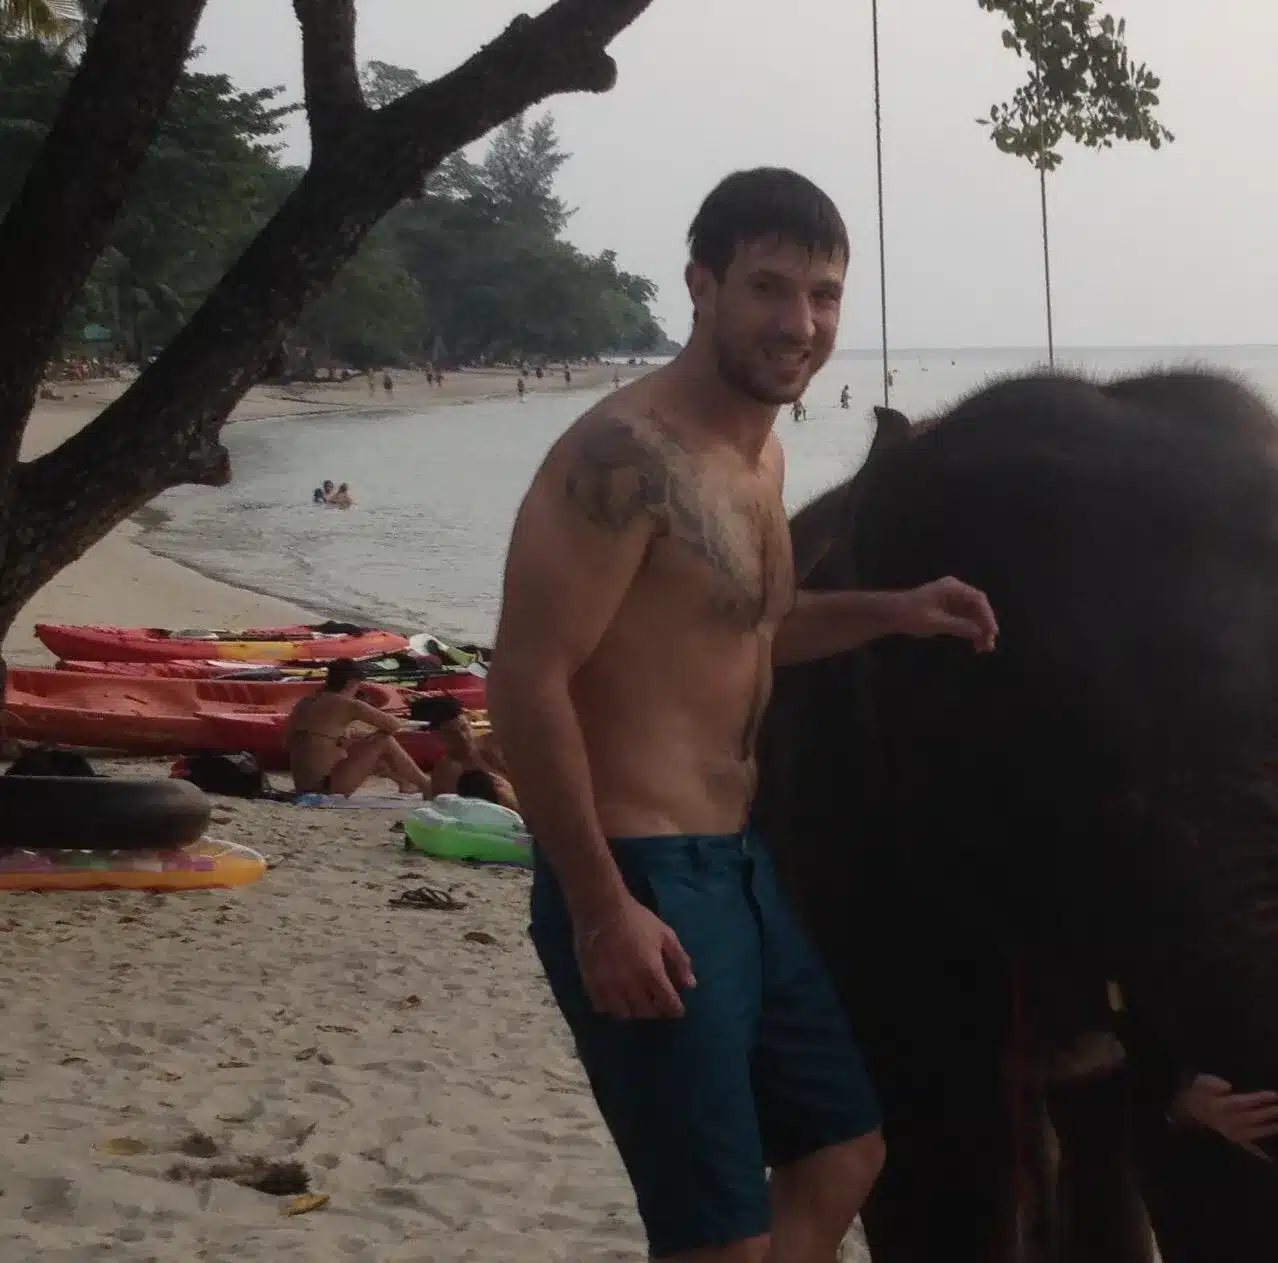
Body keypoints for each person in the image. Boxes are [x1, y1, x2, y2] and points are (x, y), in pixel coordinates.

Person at [487, 166, 999, 1263]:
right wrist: (599, 909)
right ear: (702, 285)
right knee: (717, 1235)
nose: (799, 324)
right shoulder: (621, 459)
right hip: (639, 875)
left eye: (823, 295)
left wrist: (897, 610)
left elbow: (749, 626)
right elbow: (525, 681)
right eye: (768, 288)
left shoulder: (757, 455)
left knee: (845, 1151)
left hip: (740, 868)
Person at [284, 660, 433, 797]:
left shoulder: (305, 702)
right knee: (383, 740)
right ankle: (426, 786)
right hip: (324, 787)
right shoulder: (349, 704)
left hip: (303, 784)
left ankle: (404, 783)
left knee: (362, 741)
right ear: (352, 683)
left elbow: (289, 740)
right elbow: (393, 726)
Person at [413, 695, 519, 812]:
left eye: (464, 728)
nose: (462, 737)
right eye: (451, 733)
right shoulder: (448, 772)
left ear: (470, 724)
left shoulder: (494, 745)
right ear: (437, 737)